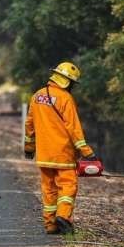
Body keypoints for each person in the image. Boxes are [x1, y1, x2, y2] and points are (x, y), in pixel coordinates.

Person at [24, 62, 97, 234]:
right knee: (68, 186)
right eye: (72, 83)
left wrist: (29, 147)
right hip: (63, 154)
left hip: (43, 155)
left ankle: (50, 225)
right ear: (67, 82)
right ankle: (63, 216)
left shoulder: (37, 96)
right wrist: (87, 152)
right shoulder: (66, 98)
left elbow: (29, 124)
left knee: (48, 189)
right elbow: (74, 128)